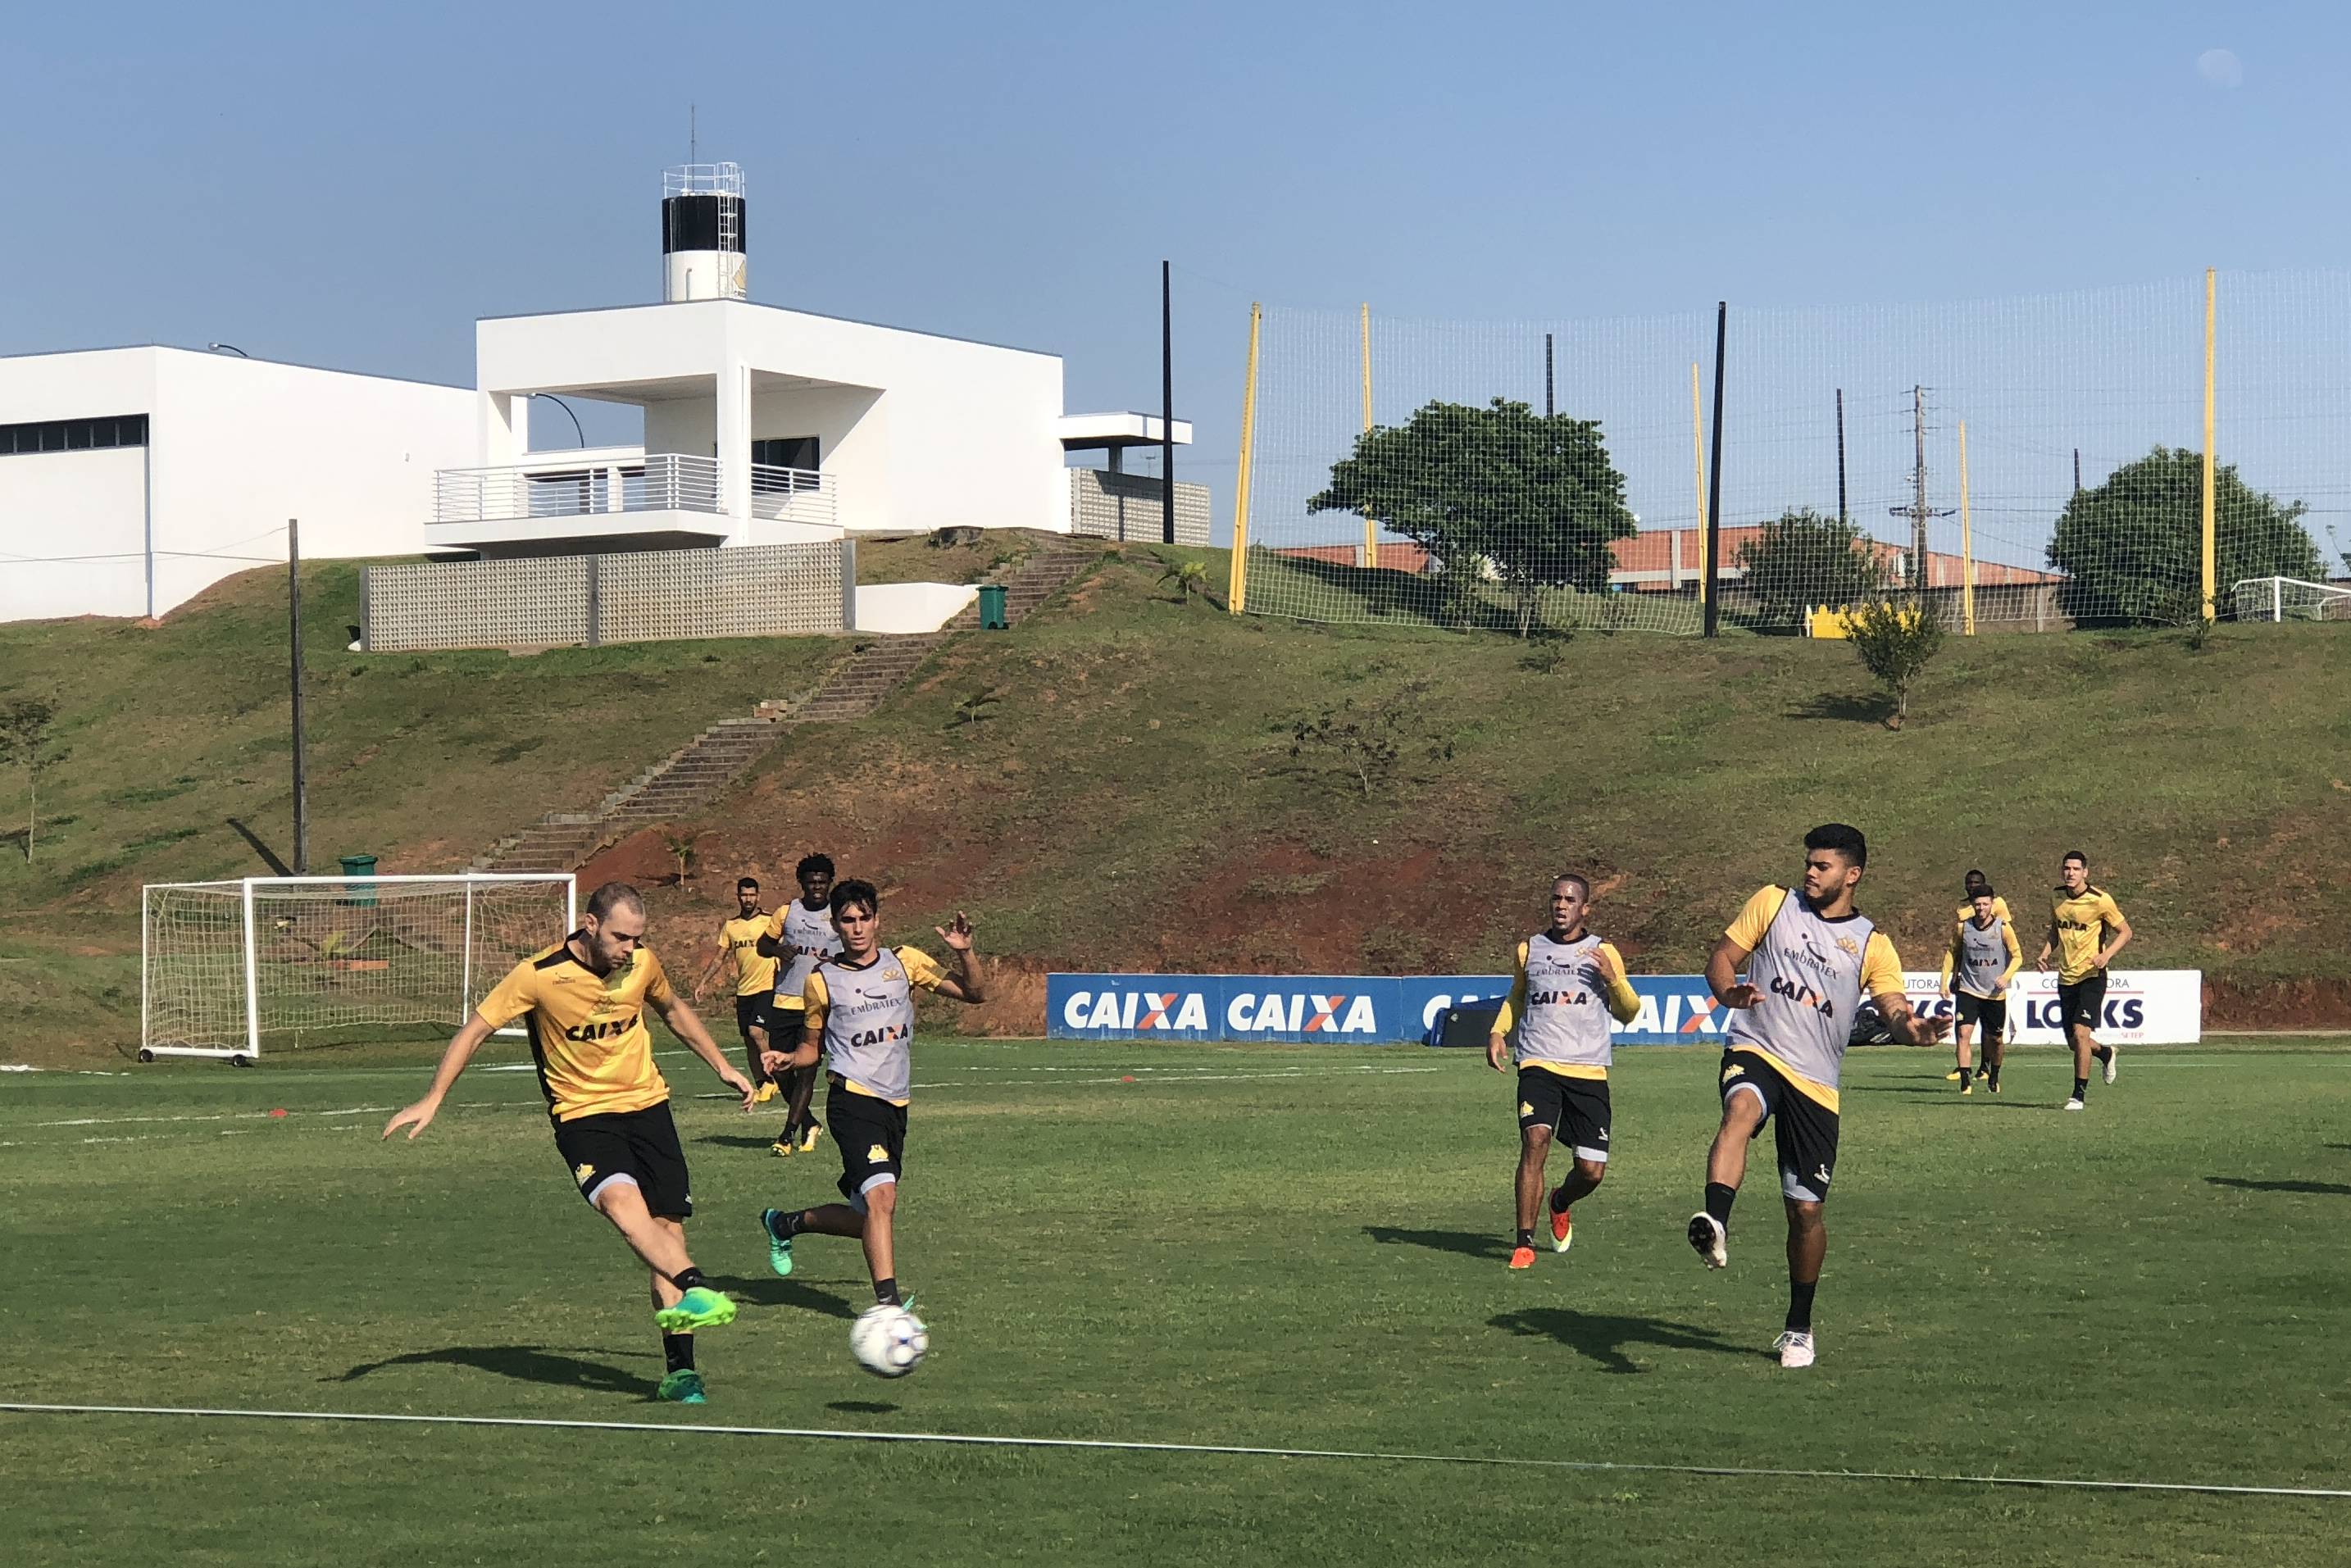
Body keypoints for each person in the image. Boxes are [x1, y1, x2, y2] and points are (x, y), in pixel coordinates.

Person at [383, 881, 755, 1404]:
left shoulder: (642, 965)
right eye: (622, 938)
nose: (630, 950)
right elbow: (475, 1031)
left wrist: (723, 1067)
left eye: (637, 939)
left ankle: (681, 1371)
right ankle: (697, 1285)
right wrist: (433, 1097)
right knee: (627, 1213)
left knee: (666, 1234)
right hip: (584, 1118)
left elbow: (672, 1010)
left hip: (650, 1110)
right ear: (591, 924)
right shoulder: (538, 976)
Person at [1687, 825, 1948, 1370]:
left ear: (1851, 875)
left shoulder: (1873, 943)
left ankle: (1799, 1326)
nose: (1810, 871)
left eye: (1822, 866)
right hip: (1756, 1046)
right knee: (1740, 1109)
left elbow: (1894, 1008)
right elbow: (1721, 957)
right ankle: (1715, 1221)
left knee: (1805, 1211)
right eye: (1808, 862)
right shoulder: (1772, 902)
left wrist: (1914, 1029)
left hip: (1816, 1082)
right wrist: (1726, 989)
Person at [757, 881, 984, 1327]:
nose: (857, 928)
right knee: (883, 1197)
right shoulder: (821, 981)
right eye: (847, 919)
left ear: (877, 920)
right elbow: (811, 1049)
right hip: (851, 1100)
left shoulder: (905, 962)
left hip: (895, 1104)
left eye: (864, 918)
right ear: (836, 925)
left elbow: (976, 995)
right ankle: (887, 1306)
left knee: (868, 1217)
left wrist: (965, 952)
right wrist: (787, 1057)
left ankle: (785, 1224)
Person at [1485, 874, 1642, 1270]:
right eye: (1556, 898)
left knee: (1590, 1171)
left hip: (1588, 1069)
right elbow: (1517, 996)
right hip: (1538, 1062)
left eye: (1570, 900)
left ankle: (1560, 1201)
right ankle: (1524, 1243)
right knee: (1535, 1139)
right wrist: (1498, 1031)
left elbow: (1629, 1012)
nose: (1561, 905)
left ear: (1585, 908)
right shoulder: (1529, 949)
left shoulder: (1603, 952)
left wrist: (1612, 980)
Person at [756, 853, 844, 1156]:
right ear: (802, 883)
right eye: (811, 882)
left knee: (807, 1071)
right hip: (784, 1000)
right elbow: (762, 945)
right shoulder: (787, 912)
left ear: (829, 883)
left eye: (822, 882)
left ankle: (787, 1135)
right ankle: (809, 1122)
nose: (817, 887)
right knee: (779, 1068)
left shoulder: (840, 914)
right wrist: (778, 949)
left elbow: (853, 952)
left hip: (819, 1003)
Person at [2036, 851, 2133, 1113]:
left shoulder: (2100, 900)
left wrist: (2106, 955)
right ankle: (2105, 1053)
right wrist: (2045, 954)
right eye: (2066, 868)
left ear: (2085, 873)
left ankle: (2078, 1095)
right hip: (2066, 978)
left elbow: (2125, 932)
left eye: (2076, 869)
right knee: (2074, 1042)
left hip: (2092, 976)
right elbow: (2055, 932)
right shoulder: (2057, 897)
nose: (2070, 873)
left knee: (2081, 1033)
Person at [693, 875, 780, 1104]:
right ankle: (762, 1084)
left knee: (756, 1032)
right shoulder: (731, 926)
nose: (749, 899)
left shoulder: (770, 922)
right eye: (745, 895)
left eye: (752, 895)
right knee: (749, 1040)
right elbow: (719, 957)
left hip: (767, 987)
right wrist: (704, 981)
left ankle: (774, 1078)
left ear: (758, 896)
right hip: (744, 992)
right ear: (739, 897)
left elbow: (784, 949)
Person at [1941, 887, 2021, 1094]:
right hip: (1968, 989)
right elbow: (1952, 953)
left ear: (1992, 904)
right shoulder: (1963, 928)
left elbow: (2018, 956)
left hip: (1994, 994)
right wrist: (1944, 981)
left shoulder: (2002, 928)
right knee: (1963, 1033)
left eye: (1985, 904)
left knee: (1995, 1038)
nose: (1981, 908)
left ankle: (1993, 1076)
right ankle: (1965, 1082)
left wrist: (2006, 976)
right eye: (1977, 904)